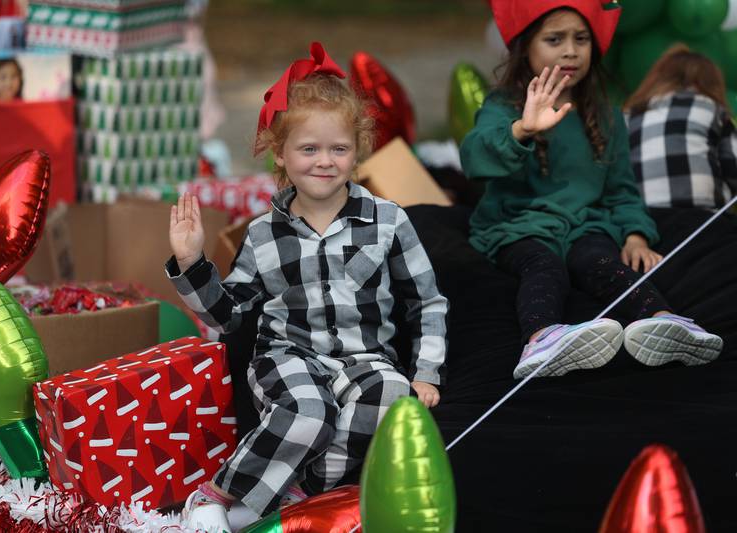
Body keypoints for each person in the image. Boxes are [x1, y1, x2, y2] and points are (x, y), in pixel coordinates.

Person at [166, 42, 448, 531]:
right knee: (309, 411)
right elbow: (229, 316)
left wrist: (425, 371)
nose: (325, 161)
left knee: (392, 398)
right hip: (287, 357)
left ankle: (297, 497)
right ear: (281, 152)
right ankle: (216, 493)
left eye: (339, 148)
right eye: (309, 148)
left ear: (357, 150)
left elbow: (425, 301)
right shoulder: (261, 233)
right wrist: (192, 262)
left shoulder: (387, 221)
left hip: (364, 359)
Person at [460, 0, 723, 380]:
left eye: (581, 39)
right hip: (520, 225)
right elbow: (474, 157)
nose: (570, 49)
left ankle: (666, 325)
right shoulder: (503, 106)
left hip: (584, 225)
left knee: (603, 262)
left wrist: (635, 234)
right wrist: (524, 129)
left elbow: (621, 189)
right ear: (525, 48)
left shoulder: (604, 112)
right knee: (544, 266)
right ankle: (542, 339)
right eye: (554, 39)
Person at [624, 44, 737, 210]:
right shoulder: (712, 108)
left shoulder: (628, 116)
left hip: (641, 223)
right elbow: (733, 165)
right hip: (702, 221)